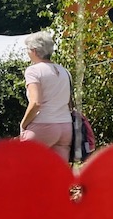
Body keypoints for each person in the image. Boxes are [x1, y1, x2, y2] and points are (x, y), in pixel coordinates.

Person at [19, 31, 73, 160]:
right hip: (65, 126)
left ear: (34, 50)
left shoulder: (33, 70)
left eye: (28, 49)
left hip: (43, 124)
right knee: (59, 173)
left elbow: (36, 103)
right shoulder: (64, 71)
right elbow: (69, 102)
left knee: (25, 166)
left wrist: (23, 124)